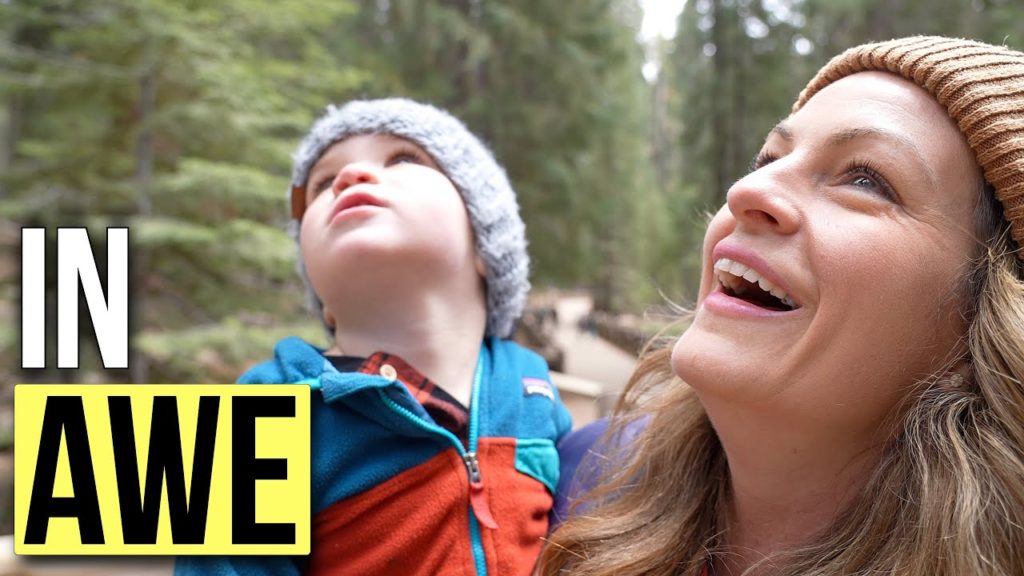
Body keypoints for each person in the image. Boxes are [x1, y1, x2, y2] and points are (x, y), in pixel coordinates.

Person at [542, 36, 1024, 576]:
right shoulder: (571, 479)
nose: (747, 191)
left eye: (866, 179)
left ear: (992, 319)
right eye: (769, 157)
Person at [176, 98, 572, 576]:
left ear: (487, 247)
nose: (351, 176)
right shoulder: (268, 406)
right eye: (323, 182)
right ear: (320, 295)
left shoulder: (533, 386)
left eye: (404, 158)